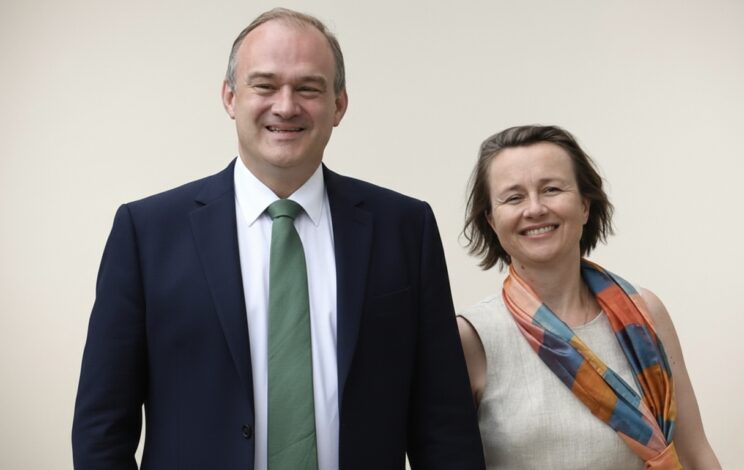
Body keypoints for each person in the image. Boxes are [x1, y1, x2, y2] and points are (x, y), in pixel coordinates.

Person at [72, 8, 484, 470]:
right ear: (230, 98)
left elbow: (445, 426)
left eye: (308, 88)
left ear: (339, 105)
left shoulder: (405, 228)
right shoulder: (146, 233)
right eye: (264, 85)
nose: (286, 106)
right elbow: (102, 428)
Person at [458, 125, 721, 469]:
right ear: (492, 220)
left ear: (584, 205)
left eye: (551, 189)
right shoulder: (471, 337)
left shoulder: (644, 313)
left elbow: (695, 453)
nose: (535, 209)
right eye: (514, 197)